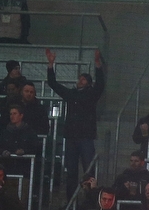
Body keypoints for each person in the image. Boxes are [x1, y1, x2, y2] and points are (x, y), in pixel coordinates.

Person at [45, 47, 105, 198]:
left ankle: (90, 200)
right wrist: (50, 64)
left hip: (85, 137)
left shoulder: (92, 93)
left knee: (88, 171)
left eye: (83, 79)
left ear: (89, 83)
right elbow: (53, 83)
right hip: (71, 137)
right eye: (79, 79)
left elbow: (101, 84)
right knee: (71, 172)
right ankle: (69, 204)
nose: (79, 81)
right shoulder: (71, 93)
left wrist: (97, 64)